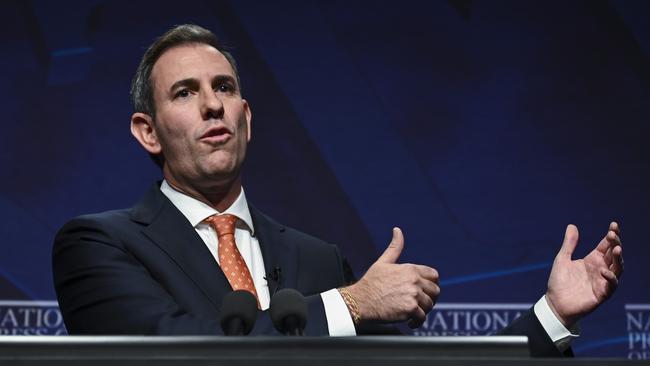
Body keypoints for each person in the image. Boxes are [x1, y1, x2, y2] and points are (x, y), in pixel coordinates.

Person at [52, 24, 623, 357]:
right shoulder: (99, 245)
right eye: (184, 92)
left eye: (223, 87)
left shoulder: (314, 258)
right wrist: (352, 302)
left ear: (246, 117)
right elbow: (172, 353)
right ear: (147, 131)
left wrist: (551, 316)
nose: (211, 104)